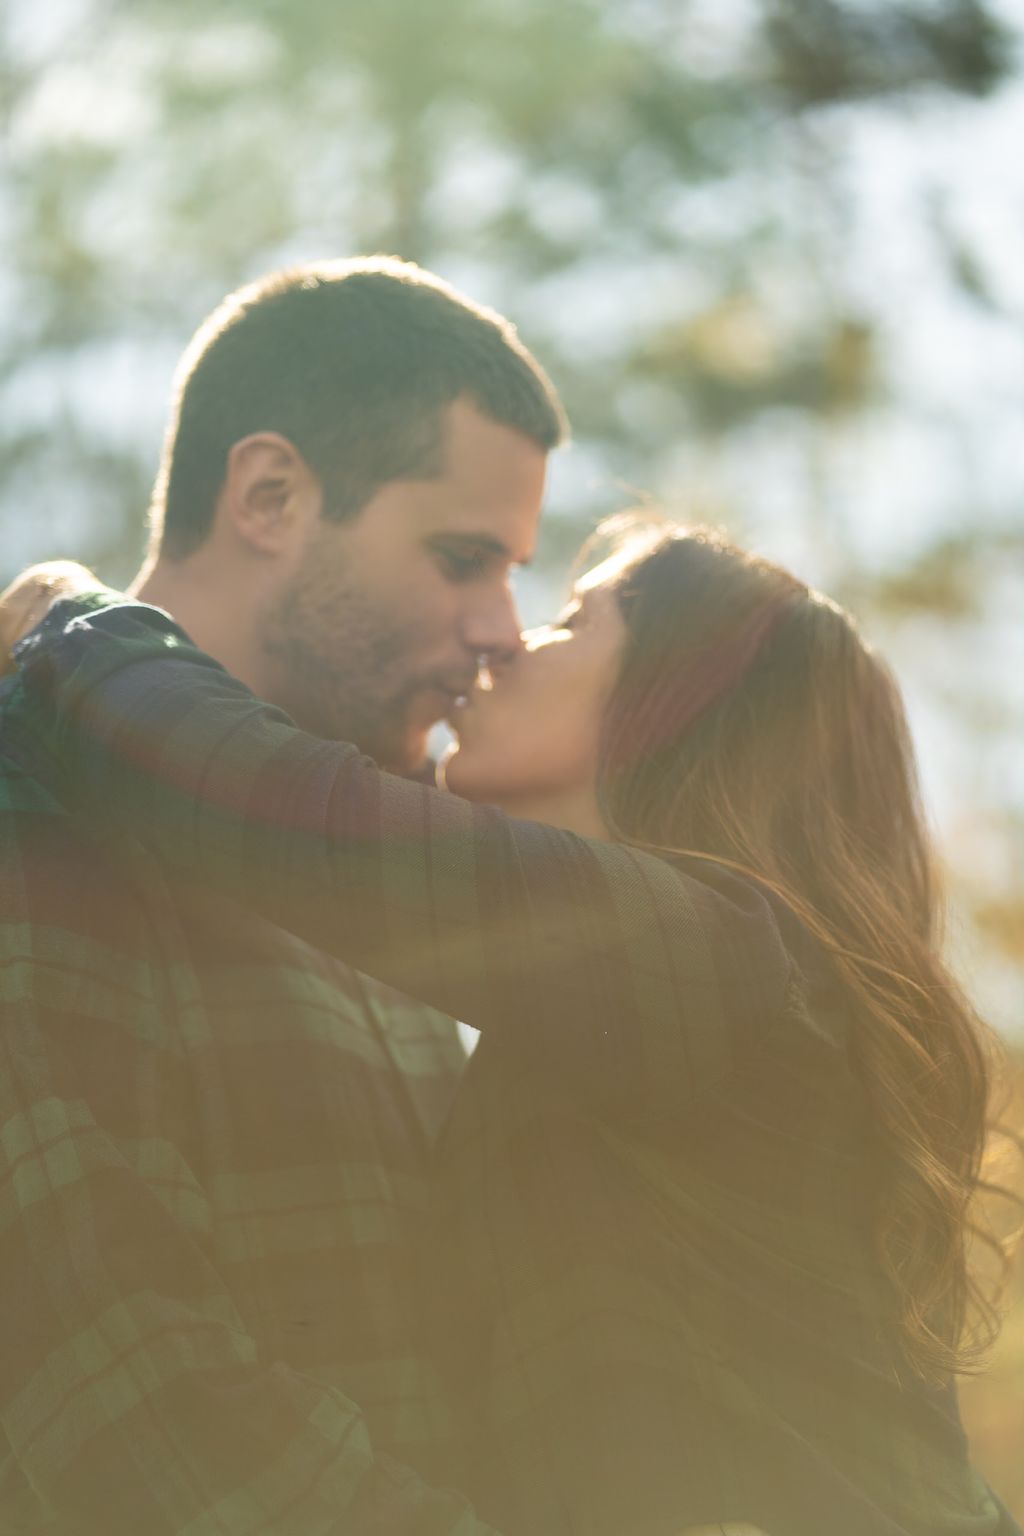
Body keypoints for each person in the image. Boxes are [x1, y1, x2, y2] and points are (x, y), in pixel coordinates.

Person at [5, 522, 1019, 1536]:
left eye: (573, 622)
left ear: (675, 702)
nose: (505, 645)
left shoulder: (739, 971)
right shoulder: (619, 1006)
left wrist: (67, 622)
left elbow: (300, 811)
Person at [0, 256, 566, 1533]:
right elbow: (124, 1403)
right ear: (269, 493)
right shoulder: (32, 787)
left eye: (518, 569)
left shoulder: (386, 880)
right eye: (464, 557)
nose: (504, 629)